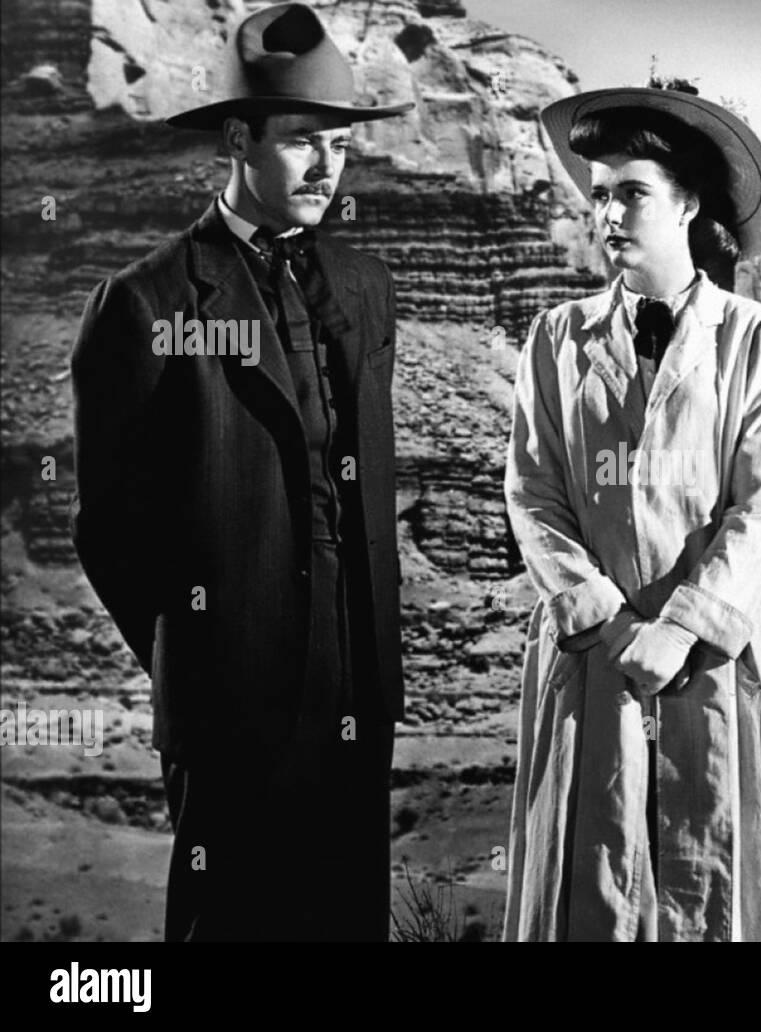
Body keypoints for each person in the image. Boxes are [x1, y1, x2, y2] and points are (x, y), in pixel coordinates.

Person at [69, 2, 412, 941]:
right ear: (236, 137)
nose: (326, 165)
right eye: (301, 142)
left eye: (338, 144)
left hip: (359, 691)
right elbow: (110, 532)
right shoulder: (146, 302)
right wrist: (207, 651)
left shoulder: (367, 286)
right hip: (233, 710)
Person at [502, 81, 761, 941]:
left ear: (688, 204)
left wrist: (679, 628)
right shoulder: (558, 339)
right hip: (594, 653)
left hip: (712, 653)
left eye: (632, 192)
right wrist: (600, 613)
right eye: (598, 195)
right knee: (594, 878)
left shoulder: (757, 340)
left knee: (715, 875)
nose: (609, 215)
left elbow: (760, 504)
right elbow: (534, 489)